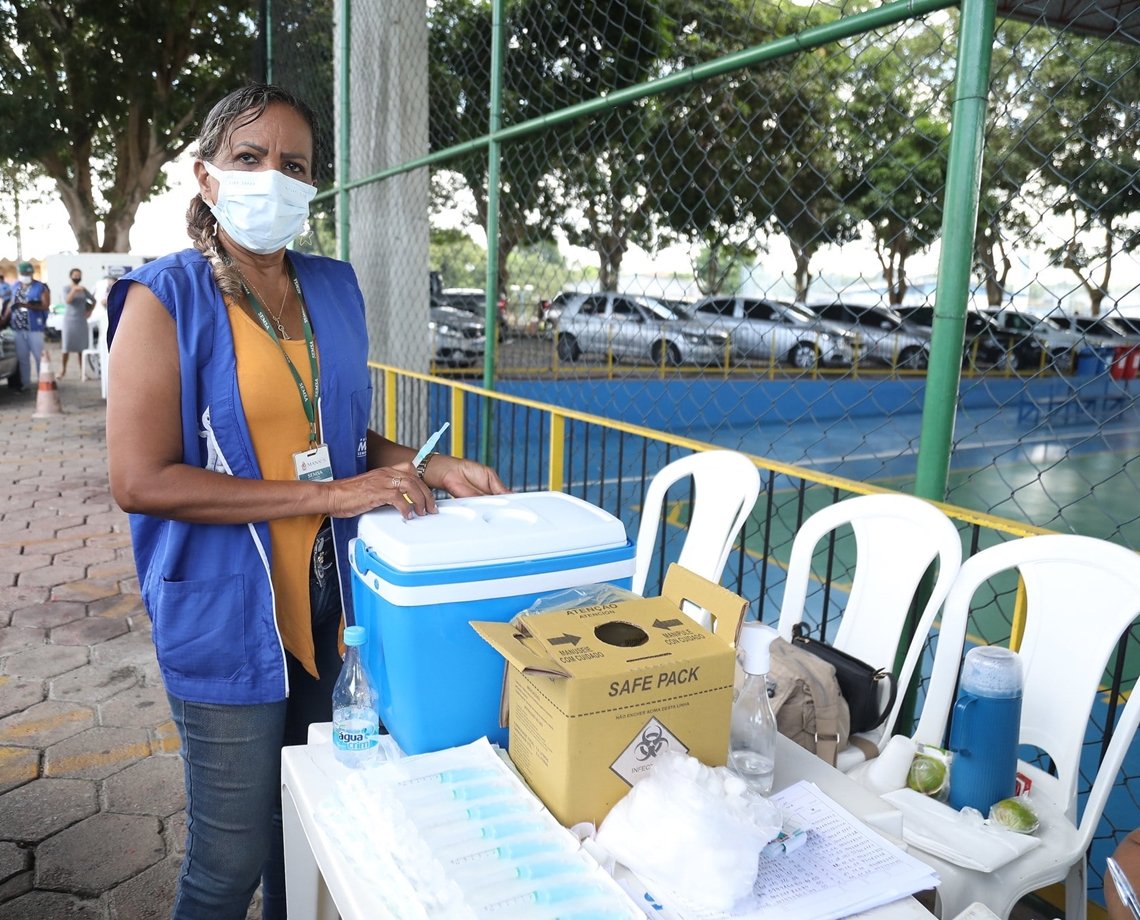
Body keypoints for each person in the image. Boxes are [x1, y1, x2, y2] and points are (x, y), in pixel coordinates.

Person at [105, 83, 508, 920]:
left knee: (316, 830)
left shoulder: (331, 288)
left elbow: (344, 439)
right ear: (205, 176)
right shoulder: (163, 299)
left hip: (332, 608)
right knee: (230, 860)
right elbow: (140, 479)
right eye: (249, 159)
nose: (273, 178)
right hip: (228, 618)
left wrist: (423, 467)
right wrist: (334, 491)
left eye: (294, 165)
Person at [9, 261, 50, 391]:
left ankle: (41, 383)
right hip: (18, 328)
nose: (26, 275)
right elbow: (10, 304)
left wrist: (27, 305)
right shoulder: (15, 286)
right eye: (23, 273)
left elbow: (45, 305)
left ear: (32, 273)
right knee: (22, 358)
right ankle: (25, 384)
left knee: (39, 357)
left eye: (28, 273)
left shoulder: (40, 287)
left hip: (35, 328)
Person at [60, 267, 93, 378]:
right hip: (69, 320)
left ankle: (82, 372)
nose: (77, 277)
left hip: (81, 320)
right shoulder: (66, 288)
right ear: (71, 276)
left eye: (79, 275)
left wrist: (89, 310)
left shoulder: (83, 289)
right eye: (75, 275)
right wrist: (74, 290)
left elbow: (93, 300)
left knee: (81, 347)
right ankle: (63, 370)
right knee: (66, 347)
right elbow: (68, 301)